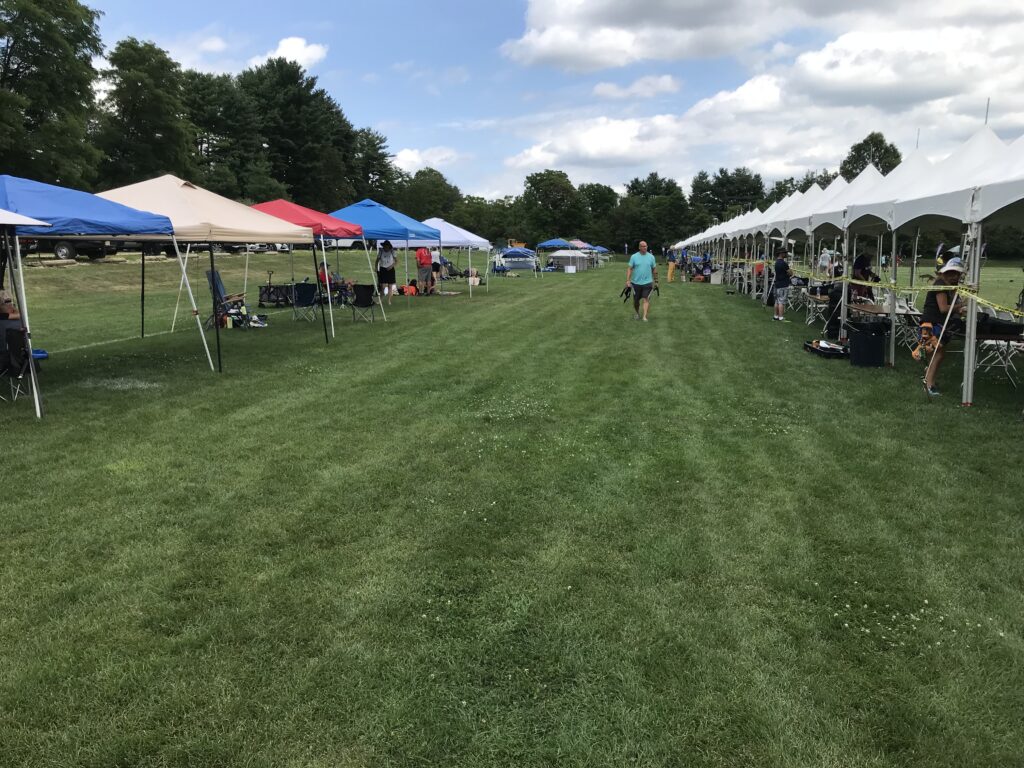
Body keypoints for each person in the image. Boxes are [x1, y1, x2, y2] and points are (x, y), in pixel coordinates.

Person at [921, 257, 966, 397]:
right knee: (937, 354)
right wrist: (961, 305)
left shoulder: (947, 286)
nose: (955, 276)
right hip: (932, 324)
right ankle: (929, 385)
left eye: (957, 274)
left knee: (936, 354)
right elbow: (943, 308)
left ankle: (930, 380)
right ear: (945, 273)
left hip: (936, 323)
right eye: (951, 273)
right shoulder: (941, 284)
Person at [625, 240, 657, 321]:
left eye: (645, 246)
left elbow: (654, 269)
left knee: (646, 299)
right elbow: (630, 269)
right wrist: (628, 280)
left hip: (648, 282)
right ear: (639, 247)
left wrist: (656, 281)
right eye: (642, 246)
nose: (644, 247)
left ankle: (644, 316)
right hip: (636, 283)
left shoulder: (651, 257)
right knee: (636, 301)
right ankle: (637, 313)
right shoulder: (634, 257)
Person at [376, 240, 398, 305]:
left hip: (390, 270)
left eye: (386, 246)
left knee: (390, 286)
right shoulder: (381, 251)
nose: (385, 247)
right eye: (384, 246)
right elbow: (377, 261)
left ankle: (389, 301)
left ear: (389, 246)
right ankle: (380, 300)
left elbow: (396, 261)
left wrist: (391, 266)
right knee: (382, 286)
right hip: (382, 269)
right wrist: (375, 268)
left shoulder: (392, 251)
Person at [773, 246, 792, 321]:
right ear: (781, 254)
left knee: (777, 301)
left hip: (777, 283)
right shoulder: (784, 263)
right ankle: (781, 317)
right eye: (785, 253)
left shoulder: (776, 262)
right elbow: (790, 273)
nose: (786, 254)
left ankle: (776, 316)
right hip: (783, 284)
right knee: (782, 302)